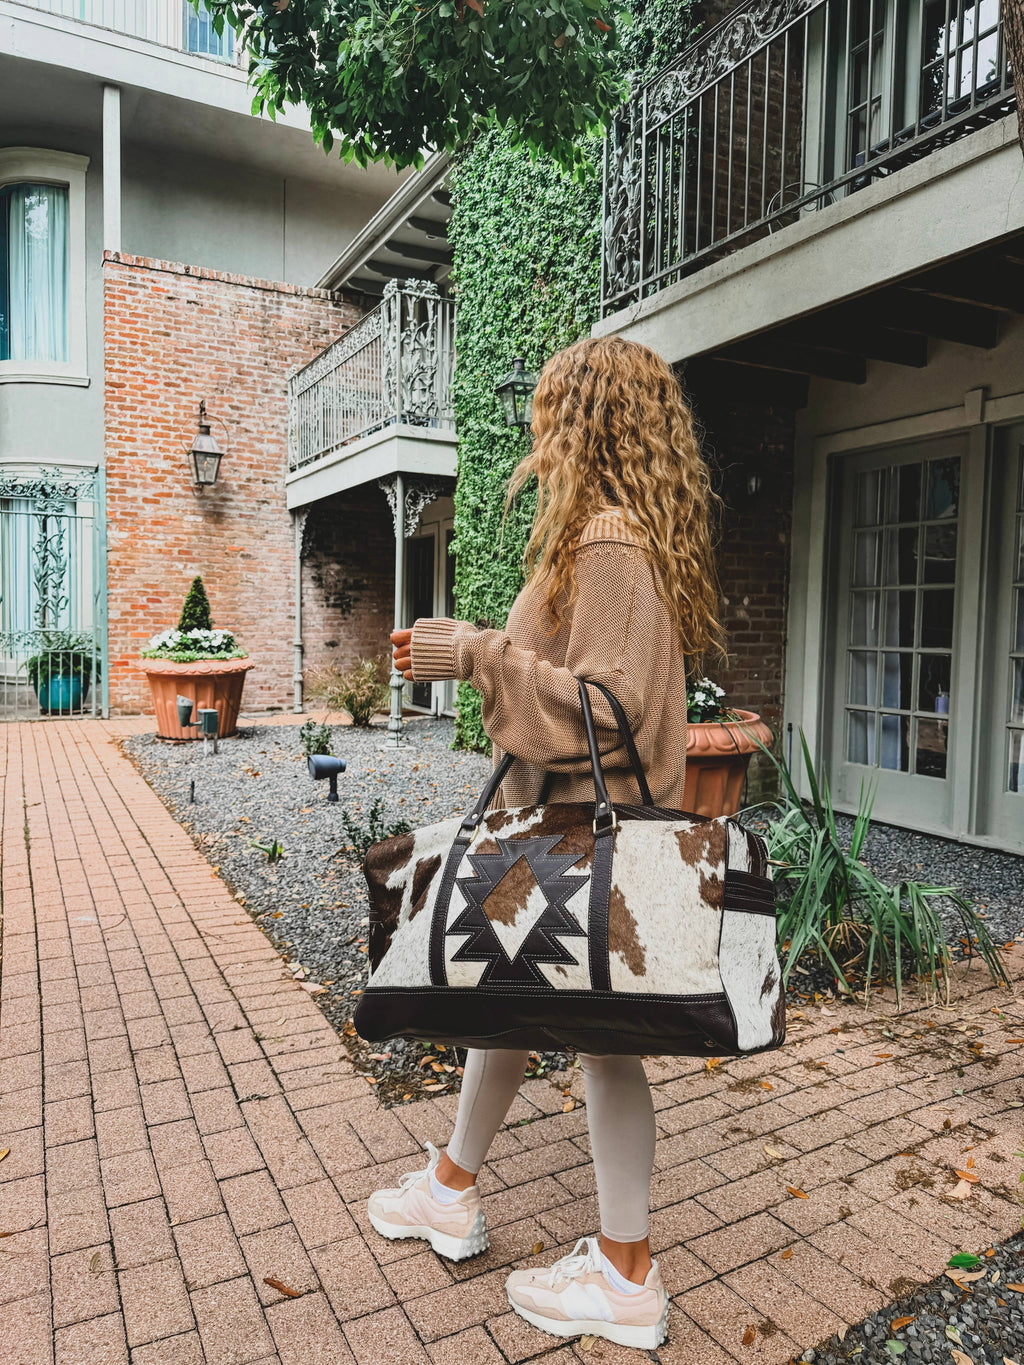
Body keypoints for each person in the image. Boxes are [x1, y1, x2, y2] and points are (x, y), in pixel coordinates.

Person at [367, 335, 724, 1352]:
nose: (535, 429)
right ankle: (450, 1187)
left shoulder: (608, 538)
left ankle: (622, 1275)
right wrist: (470, 648)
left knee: (606, 1051)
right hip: (556, 826)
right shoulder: (612, 539)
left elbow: (602, 708)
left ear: (585, 420)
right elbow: (571, 671)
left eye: (548, 407)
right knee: (507, 1007)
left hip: (580, 831)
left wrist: (479, 652)